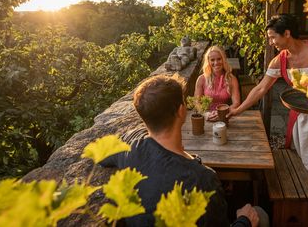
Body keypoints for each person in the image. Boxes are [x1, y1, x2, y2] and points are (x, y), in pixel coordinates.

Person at [228, 14, 308, 212]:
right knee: (303, 161)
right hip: (298, 117)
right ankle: (306, 204)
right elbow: (261, 89)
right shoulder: (279, 61)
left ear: (287, 33)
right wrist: (237, 110)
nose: (271, 42)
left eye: (273, 37)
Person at [100, 75, 263, 227]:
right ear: (181, 110)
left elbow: (103, 156)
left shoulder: (129, 149)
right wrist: (244, 220)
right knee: (260, 214)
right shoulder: (202, 180)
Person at [195, 46, 240, 121]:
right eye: (212, 60)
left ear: (223, 59)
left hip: (224, 116)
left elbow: (236, 103)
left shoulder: (232, 79)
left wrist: (223, 112)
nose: (216, 63)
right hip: (206, 117)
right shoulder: (201, 79)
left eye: (219, 59)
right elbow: (196, 102)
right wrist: (204, 114)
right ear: (208, 62)